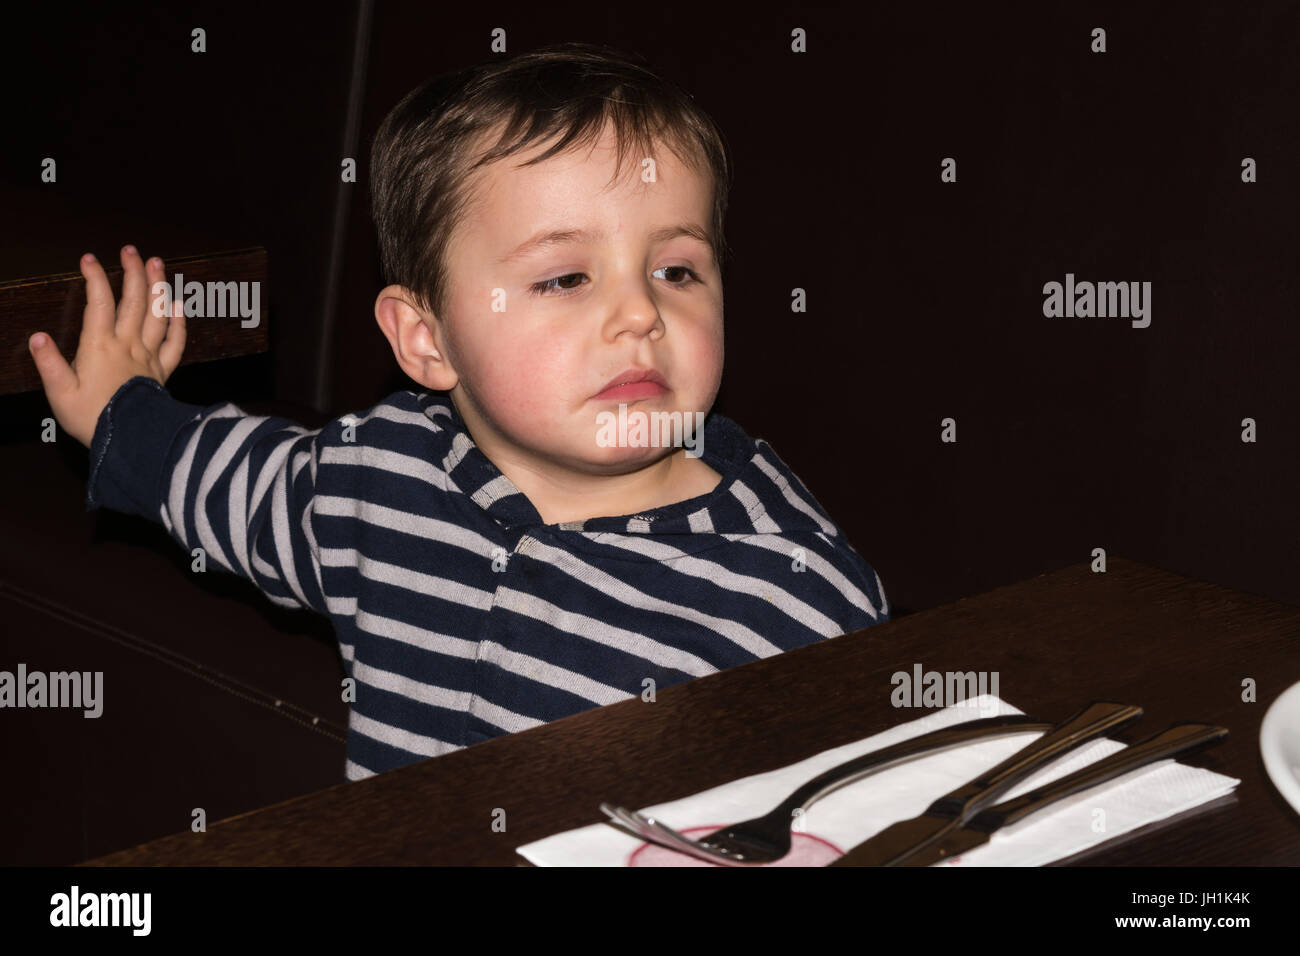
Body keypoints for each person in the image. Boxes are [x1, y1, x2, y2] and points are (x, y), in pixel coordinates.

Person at [27, 42, 889, 781]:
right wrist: (117, 407)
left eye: (677, 270)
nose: (642, 314)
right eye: (565, 278)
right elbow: (228, 481)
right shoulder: (377, 480)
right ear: (426, 340)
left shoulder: (787, 592)